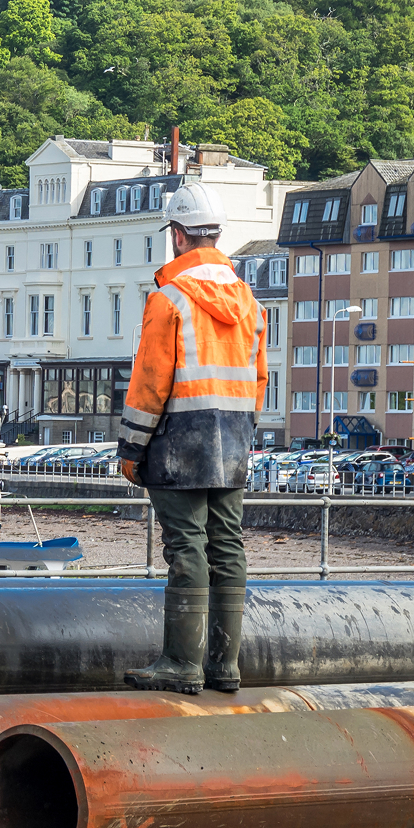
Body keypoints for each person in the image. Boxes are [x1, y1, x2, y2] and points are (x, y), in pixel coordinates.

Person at [117, 181, 265, 696]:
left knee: (187, 547)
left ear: (178, 236)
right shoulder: (247, 300)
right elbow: (259, 377)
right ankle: (224, 666)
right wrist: (243, 432)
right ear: (215, 235)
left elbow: (151, 381)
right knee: (228, 545)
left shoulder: (168, 298)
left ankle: (182, 663)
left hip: (179, 440)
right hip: (233, 440)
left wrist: (132, 447)